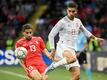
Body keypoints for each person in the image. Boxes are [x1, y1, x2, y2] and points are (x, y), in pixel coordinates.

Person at [45, 1, 104, 80]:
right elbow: (51, 35)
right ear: (67, 11)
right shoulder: (62, 22)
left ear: (76, 11)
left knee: (76, 76)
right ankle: (53, 65)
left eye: (73, 11)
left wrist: (96, 39)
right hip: (62, 47)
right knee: (72, 59)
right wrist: (53, 49)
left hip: (72, 49)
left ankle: (56, 62)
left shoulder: (78, 22)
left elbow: (86, 32)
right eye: (69, 11)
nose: (71, 13)